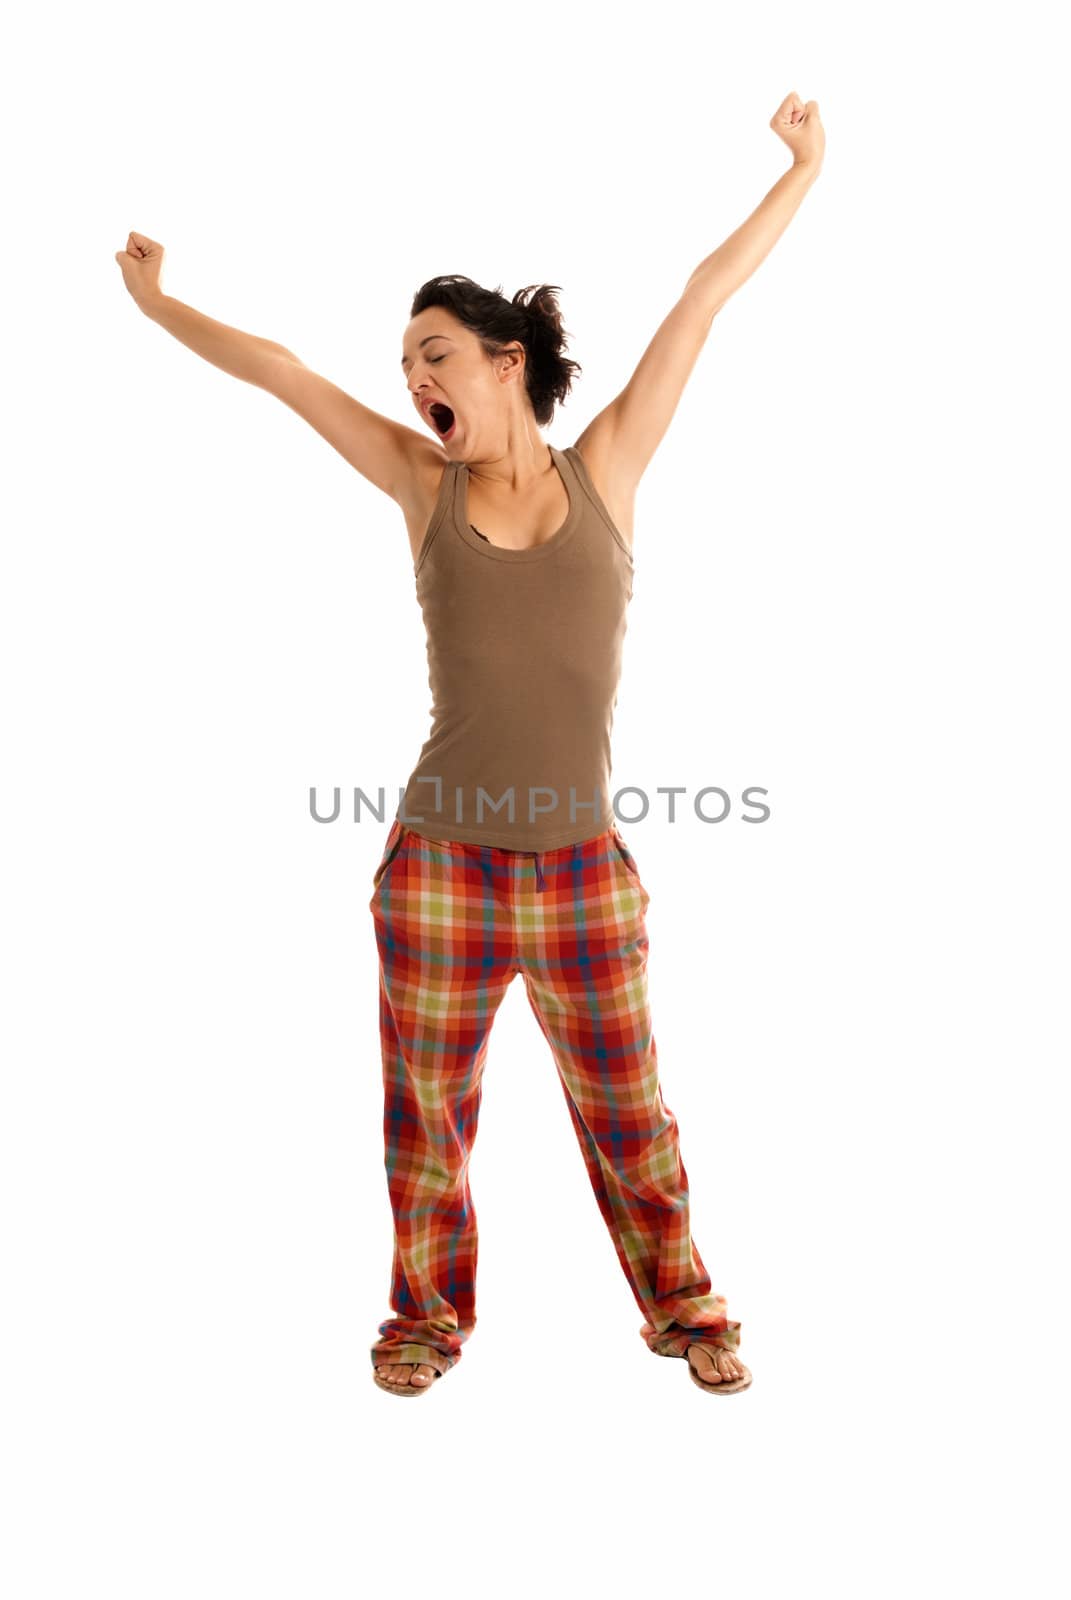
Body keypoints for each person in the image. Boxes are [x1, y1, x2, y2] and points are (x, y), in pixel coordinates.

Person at [115, 92, 824, 1399]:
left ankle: (689, 1308)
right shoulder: (412, 479)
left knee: (630, 1116)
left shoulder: (607, 467)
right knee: (425, 1129)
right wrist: (162, 306)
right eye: (405, 362)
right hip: (440, 863)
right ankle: (425, 1322)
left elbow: (704, 296)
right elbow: (281, 369)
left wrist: (808, 164)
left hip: (579, 872)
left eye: (435, 351)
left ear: (507, 360)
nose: (414, 377)